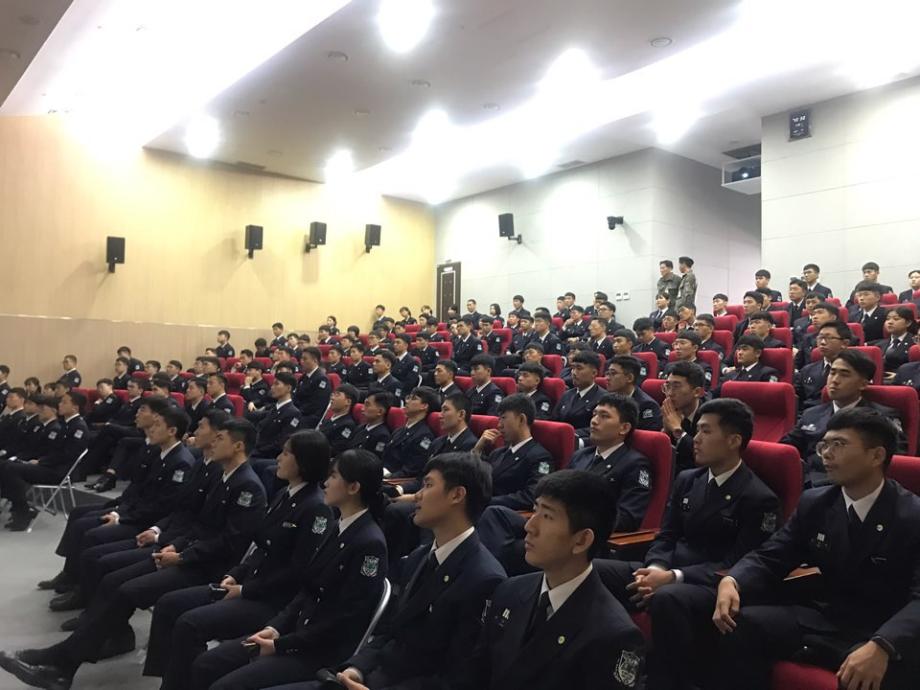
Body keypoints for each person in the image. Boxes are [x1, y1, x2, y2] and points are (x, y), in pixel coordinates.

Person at [0, 418, 268, 690]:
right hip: (185, 553)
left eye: (220, 438)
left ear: (238, 446)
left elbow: (229, 542)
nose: (213, 442)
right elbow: (194, 522)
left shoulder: (247, 487)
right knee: (113, 579)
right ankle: (69, 658)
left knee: (127, 590)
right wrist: (175, 545)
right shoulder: (223, 476)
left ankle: (63, 662)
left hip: (206, 567)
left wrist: (183, 555)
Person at [711, 407, 920, 690]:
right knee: (742, 625)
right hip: (827, 617)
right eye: (824, 445)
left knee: (864, 675)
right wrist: (734, 580)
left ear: (876, 456)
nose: (826, 454)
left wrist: (884, 644)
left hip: (885, 627)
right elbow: (772, 555)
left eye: (839, 445)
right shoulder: (816, 502)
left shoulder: (911, 515)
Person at [595, 398, 780, 690]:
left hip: (710, 584)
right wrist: (656, 567)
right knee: (594, 569)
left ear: (733, 440)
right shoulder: (688, 479)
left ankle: (669, 682)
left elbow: (739, 563)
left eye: (706, 431)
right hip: (666, 569)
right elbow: (666, 534)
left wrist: (673, 577)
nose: (696, 439)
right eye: (697, 430)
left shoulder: (758, 497)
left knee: (669, 598)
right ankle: (603, 662)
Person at [143, 430, 335, 689]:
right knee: (170, 604)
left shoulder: (315, 507)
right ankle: (175, 678)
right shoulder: (285, 495)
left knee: (190, 623)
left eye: (287, 453)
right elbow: (260, 547)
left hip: (272, 600)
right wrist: (236, 574)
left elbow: (297, 572)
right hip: (250, 584)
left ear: (304, 461)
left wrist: (245, 589)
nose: (279, 458)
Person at [302, 453, 506, 690]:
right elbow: (389, 631)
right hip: (371, 677)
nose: (417, 495)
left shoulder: (483, 578)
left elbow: (458, 678)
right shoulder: (419, 557)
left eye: (428, 485)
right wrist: (357, 668)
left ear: (457, 495)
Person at [465, 470, 646, 690]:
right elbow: (477, 674)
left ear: (582, 540)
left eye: (547, 516)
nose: (529, 526)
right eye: (535, 511)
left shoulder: (612, 634)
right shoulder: (509, 591)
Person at [42, 401, 196, 599]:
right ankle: (71, 575)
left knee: (89, 531)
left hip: (146, 522)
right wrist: (120, 510)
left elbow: (162, 507)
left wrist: (122, 516)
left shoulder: (179, 462)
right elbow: (139, 490)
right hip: (134, 510)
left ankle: (81, 588)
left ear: (172, 431)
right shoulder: (160, 453)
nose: (152, 428)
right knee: (79, 514)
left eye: (157, 425)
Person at [782, 350, 904, 487]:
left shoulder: (882, 417)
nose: (834, 380)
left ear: (863, 384)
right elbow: (786, 447)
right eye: (832, 373)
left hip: (855, 485)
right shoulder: (811, 414)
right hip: (807, 483)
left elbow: (895, 460)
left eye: (844, 375)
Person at [0, 391, 89, 531]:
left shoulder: (78, 427)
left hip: (58, 471)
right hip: (49, 466)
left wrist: (42, 461)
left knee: (10, 468)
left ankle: (23, 511)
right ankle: (21, 508)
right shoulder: (66, 424)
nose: (60, 404)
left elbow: (67, 455)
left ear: (75, 407)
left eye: (64, 402)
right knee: (6, 466)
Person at [248, 372, 304, 491]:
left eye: (277, 384)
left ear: (288, 388)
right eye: (272, 384)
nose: (272, 387)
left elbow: (281, 443)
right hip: (258, 450)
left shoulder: (293, 413)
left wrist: (256, 450)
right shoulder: (274, 409)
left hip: (270, 455)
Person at [380, 387, 438, 481]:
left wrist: (388, 477)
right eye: (408, 397)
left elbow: (411, 470)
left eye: (413, 399)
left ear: (424, 406)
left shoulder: (424, 436)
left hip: (395, 480)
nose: (407, 401)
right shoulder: (399, 430)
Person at [661, 362, 707, 475]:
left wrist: (678, 431)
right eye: (667, 386)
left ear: (697, 392)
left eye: (676, 387)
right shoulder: (668, 410)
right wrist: (666, 431)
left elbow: (705, 456)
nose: (670, 393)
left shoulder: (710, 417)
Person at [553, 350, 604, 444]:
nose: (574, 373)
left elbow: (600, 428)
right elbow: (554, 420)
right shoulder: (567, 394)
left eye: (579, 368)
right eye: (573, 368)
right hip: (558, 440)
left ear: (594, 373)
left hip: (583, 443)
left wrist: (568, 433)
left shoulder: (603, 398)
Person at [605, 356, 662, 431]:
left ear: (630, 378)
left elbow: (645, 436)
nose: (607, 378)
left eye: (613, 373)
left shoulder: (647, 406)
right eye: (607, 373)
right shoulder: (605, 398)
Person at [873, 305, 917, 377]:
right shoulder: (879, 345)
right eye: (887, 319)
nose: (890, 322)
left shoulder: (915, 343)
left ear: (908, 323)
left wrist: (899, 376)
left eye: (896, 319)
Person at [347, 392, 392, 460]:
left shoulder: (383, 436)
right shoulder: (360, 428)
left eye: (367, 405)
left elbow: (373, 460)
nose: (362, 409)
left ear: (380, 411)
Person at [318, 383, 359, 455]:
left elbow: (336, 450)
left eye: (337, 395)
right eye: (332, 394)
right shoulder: (328, 420)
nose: (332, 398)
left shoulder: (348, 425)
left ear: (348, 402)